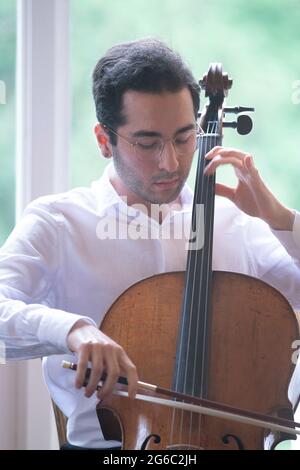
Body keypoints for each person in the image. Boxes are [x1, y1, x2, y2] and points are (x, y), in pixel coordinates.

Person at [0, 38, 299, 450]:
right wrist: (72, 329)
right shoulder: (58, 221)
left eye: (183, 137)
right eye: (147, 142)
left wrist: (281, 220)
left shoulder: (237, 223)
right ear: (105, 141)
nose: (171, 163)